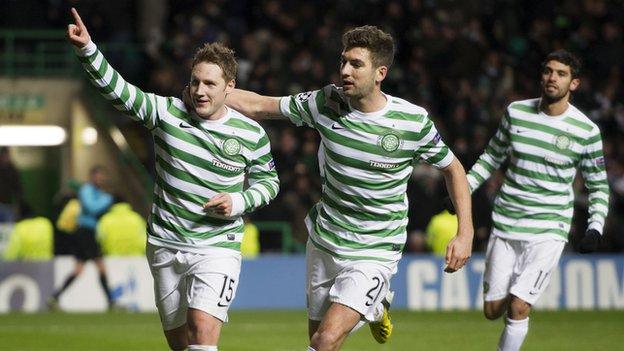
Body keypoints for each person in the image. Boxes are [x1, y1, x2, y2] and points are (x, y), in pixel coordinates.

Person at [194, 25, 474, 351]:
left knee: (325, 340)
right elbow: (261, 105)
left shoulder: (412, 122)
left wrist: (464, 231)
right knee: (318, 339)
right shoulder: (327, 102)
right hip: (325, 240)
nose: (345, 71)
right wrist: (209, 93)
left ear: (380, 73)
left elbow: (453, 169)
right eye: (343, 61)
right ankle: (375, 305)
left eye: (356, 64)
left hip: (375, 249)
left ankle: (370, 299)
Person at [66, 8, 279, 351]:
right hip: (165, 244)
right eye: (195, 81)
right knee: (180, 343)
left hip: (216, 246)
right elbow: (120, 92)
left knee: (203, 329)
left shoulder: (250, 133)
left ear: (230, 87)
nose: (200, 90)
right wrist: (88, 49)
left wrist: (237, 201)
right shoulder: (165, 114)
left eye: (210, 83)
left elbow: (269, 184)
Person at [465, 50, 610, 351]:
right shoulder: (516, 112)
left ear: (574, 83)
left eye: (560, 73)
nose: (552, 78)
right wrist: (462, 190)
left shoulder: (586, 131)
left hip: (548, 229)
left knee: (519, 307)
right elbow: (491, 157)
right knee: (493, 311)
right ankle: (519, 288)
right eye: (548, 71)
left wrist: (594, 227)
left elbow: (598, 186)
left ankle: (522, 300)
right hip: (506, 224)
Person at [48, 165, 115, 309]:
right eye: (99, 176)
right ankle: (111, 302)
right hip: (85, 232)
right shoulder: (87, 190)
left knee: (79, 269)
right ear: (92, 177)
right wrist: (106, 200)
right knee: (101, 266)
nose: (101, 179)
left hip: (88, 232)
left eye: (102, 176)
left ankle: (55, 297)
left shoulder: (97, 192)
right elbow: (91, 208)